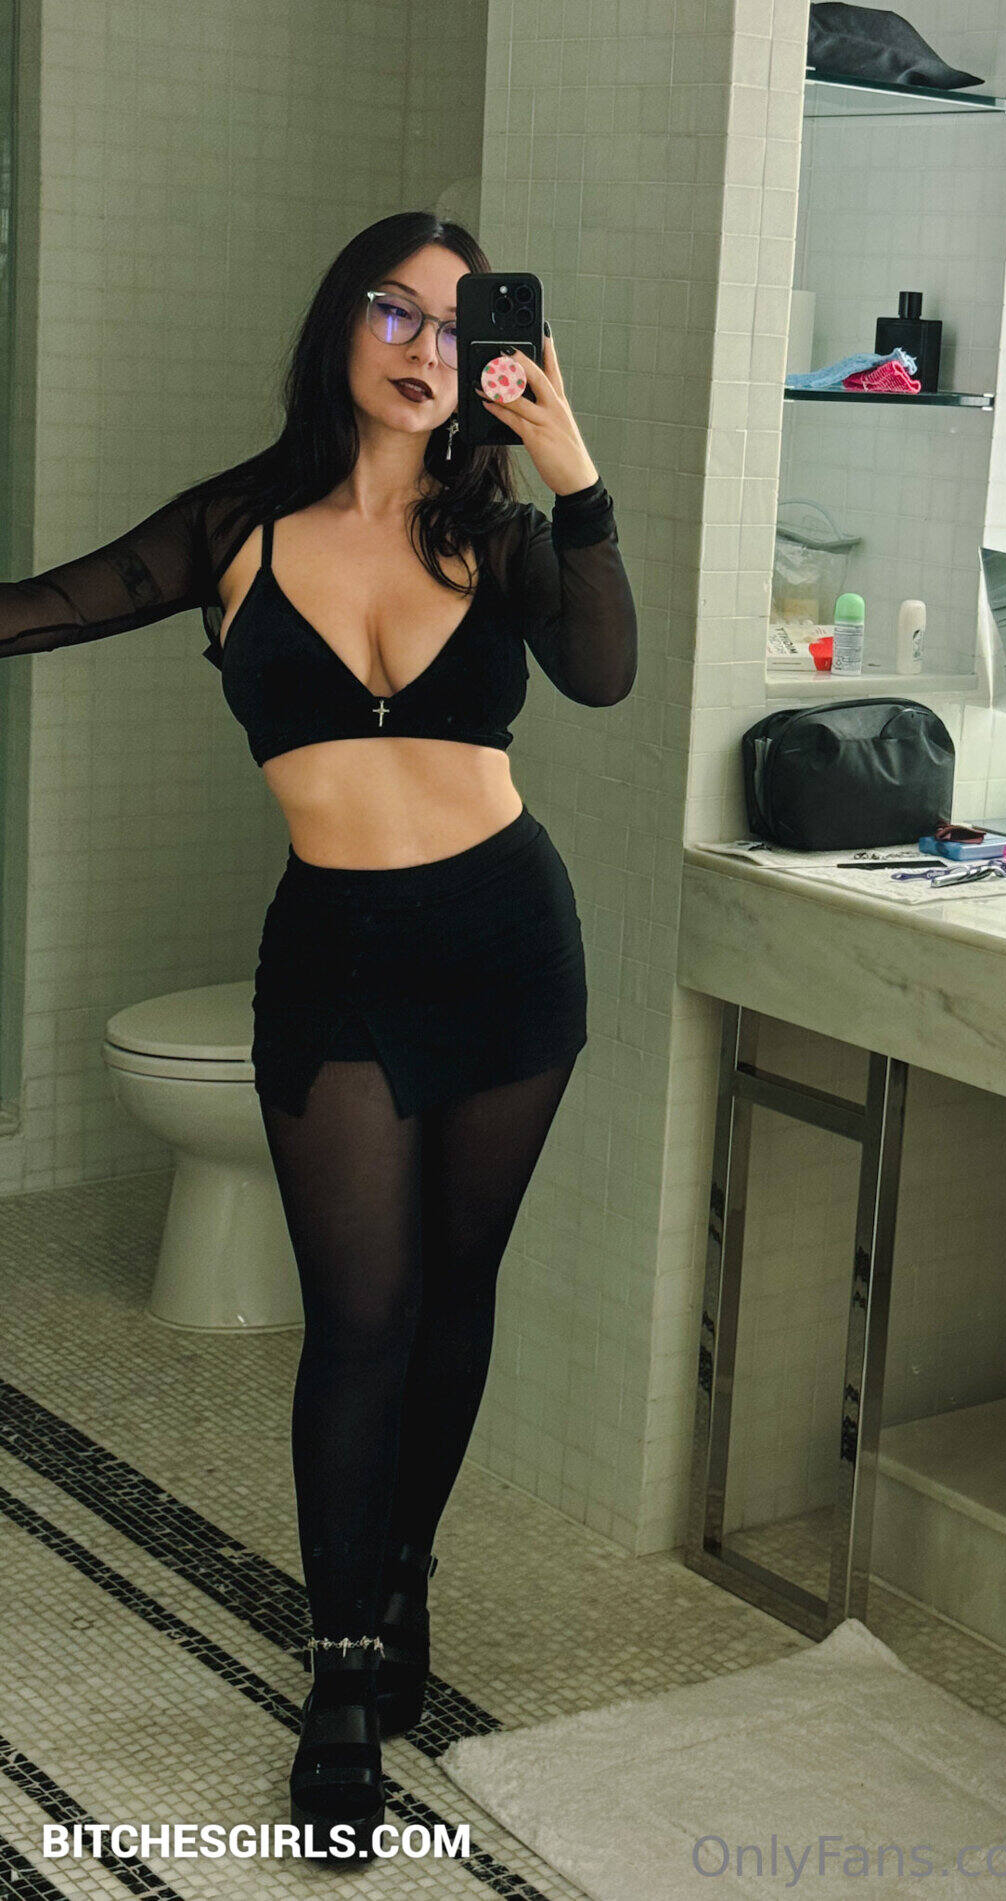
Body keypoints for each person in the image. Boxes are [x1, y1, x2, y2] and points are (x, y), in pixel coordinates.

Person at [0, 210, 637, 1860]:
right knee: (358, 1317)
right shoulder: (234, 526)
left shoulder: (499, 530)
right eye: (394, 313)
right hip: (338, 956)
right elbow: (35, 609)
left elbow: (603, 673)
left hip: (508, 945)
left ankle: (396, 1575)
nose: (425, 350)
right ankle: (344, 1665)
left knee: (456, 1292)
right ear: (340, 328)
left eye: (458, 327)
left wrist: (572, 469)